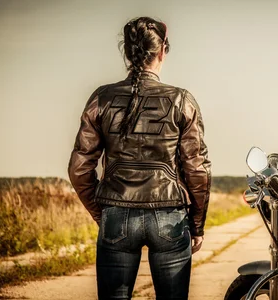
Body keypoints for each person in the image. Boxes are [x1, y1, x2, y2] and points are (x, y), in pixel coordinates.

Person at [68, 16, 211, 300]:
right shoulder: (181, 100)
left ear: (129, 53)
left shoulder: (102, 98)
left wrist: (102, 213)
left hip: (116, 214)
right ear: (162, 51)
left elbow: (79, 168)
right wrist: (196, 224)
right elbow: (197, 170)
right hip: (170, 217)